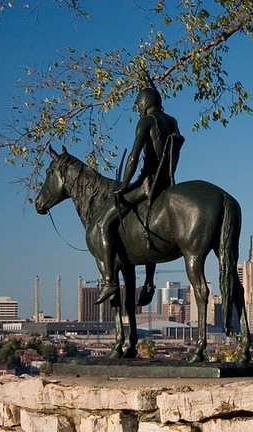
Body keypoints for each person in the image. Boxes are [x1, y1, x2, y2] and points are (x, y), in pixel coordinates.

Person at [95, 86, 184, 304]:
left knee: (103, 224)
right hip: (168, 184)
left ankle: (109, 281)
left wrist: (123, 186)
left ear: (143, 103)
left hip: (147, 185)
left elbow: (134, 157)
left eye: (138, 105)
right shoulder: (172, 121)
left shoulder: (146, 121)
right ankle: (149, 282)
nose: (138, 110)